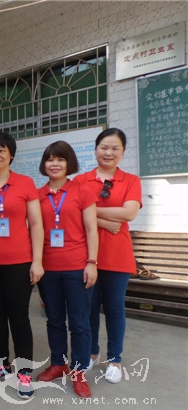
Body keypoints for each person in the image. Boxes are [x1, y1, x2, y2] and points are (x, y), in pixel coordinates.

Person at [0, 131, 44, 400]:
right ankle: (1, 365)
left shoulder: (25, 184)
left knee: (20, 317)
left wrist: (37, 261)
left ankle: (24, 373)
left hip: (19, 263)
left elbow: (36, 224)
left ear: (11, 154)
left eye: (1, 150)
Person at [73, 128, 142, 383]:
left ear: (123, 152)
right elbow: (74, 214)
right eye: (104, 147)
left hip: (118, 255)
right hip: (87, 256)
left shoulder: (131, 180)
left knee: (114, 308)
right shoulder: (82, 180)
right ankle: (91, 354)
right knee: (88, 308)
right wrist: (102, 222)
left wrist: (93, 214)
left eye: (114, 148)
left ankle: (115, 359)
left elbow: (129, 213)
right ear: (95, 149)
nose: (108, 152)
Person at [34, 141, 98, 398]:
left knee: (80, 323)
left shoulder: (82, 191)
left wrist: (92, 263)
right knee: (55, 320)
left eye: (60, 159)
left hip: (77, 268)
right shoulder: (37, 195)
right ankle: (58, 363)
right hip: (48, 269)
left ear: (68, 163)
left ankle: (78, 371)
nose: (55, 163)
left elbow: (92, 229)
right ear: (44, 164)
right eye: (50, 159)